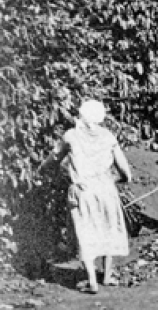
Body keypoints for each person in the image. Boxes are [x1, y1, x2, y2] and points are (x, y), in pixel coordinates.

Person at [39, 100, 131, 294]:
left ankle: (92, 281)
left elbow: (53, 159)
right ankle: (106, 275)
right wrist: (117, 180)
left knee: (85, 231)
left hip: (83, 191)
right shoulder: (108, 137)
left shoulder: (71, 136)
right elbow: (125, 171)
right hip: (106, 189)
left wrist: (44, 170)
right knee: (108, 227)